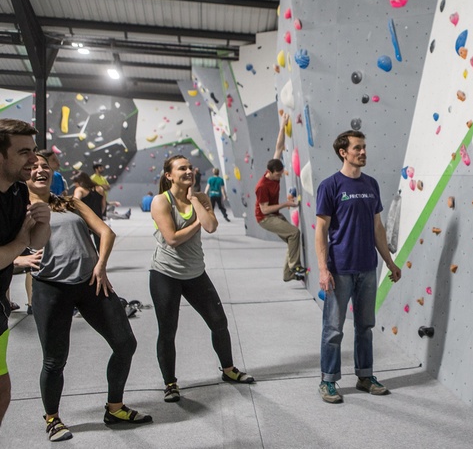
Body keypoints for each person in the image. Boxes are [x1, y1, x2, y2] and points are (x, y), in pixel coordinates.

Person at [27, 152, 151, 441]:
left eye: (45, 166)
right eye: (33, 166)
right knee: (54, 360)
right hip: (50, 289)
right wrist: (20, 262)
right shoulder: (18, 208)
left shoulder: (70, 202)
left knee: (125, 343)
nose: (40, 170)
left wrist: (101, 263)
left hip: (91, 282)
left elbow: (106, 231)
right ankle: (53, 419)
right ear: (23, 173)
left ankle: (115, 408)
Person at [150, 155, 255, 403]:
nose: (188, 171)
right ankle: (170, 383)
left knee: (219, 322)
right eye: (182, 168)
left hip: (195, 272)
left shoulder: (201, 198)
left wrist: (195, 201)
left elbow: (210, 227)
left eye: (190, 168)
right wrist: (198, 220)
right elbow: (172, 239)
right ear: (169, 175)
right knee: (167, 330)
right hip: (165, 273)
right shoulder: (160, 201)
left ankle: (228, 370)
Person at [315, 130, 401, 404]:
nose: (363, 152)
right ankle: (328, 381)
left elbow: (377, 226)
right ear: (343, 152)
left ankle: (365, 376)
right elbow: (321, 229)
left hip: (367, 267)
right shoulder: (330, 186)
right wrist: (322, 269)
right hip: (339, 268)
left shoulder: (371, 184)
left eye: (364, 147)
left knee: (365, 326)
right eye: (357, 148)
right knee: (333, 329)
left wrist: (389, 261)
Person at [0, 118, 51, 428]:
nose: (34, 160)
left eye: (33, 151)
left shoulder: (18, 192)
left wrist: (43, 222)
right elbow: (20, 244)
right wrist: (20, 241)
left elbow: (34, 244)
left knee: (2, 391)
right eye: (23, 152)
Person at [255, 113, 304, 281]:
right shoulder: (262, 186)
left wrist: (282, 125)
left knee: (291, 239)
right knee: (294, 233)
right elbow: (265, 209)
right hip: (265, 218)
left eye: (281, 173)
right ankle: (295, 267)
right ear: (270, 173)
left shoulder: (274, 167)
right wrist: (285, 204)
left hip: (273, 215)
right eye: (277, 175)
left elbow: (278, 146)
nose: (280, 177)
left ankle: (287, 274)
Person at [72, 171, 107, 251]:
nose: (74, 185)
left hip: (85, 220)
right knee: (99, 244)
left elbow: (75, 202)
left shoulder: (80, 190)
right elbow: (103, 205)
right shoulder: (100, 189)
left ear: (79, 181)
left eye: (75, 182)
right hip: (98, 219)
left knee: (84, 243)